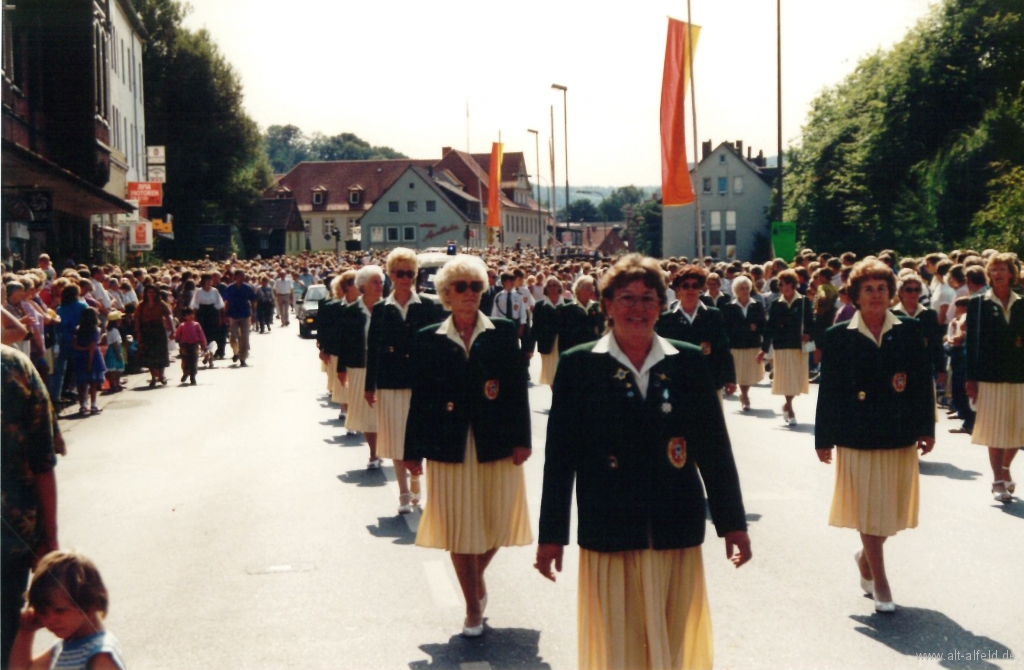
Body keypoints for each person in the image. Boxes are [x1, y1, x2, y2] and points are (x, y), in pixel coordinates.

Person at [537, 254, 751, 670]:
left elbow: (714, 449)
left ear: (661, 304)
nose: (637, 308)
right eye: (626, 298)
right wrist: (551, 535)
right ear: (607, 305)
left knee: (673, 645)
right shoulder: (579, 364)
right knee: (619, 646)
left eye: (648, 299)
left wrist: (733, 524)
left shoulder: (687, 360)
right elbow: (560, 457)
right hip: (610, 525)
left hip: (674, 522)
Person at [405, 255, 533, 637]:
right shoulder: (428, 338)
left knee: (497, 520)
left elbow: (515, 391)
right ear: (446, 294)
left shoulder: (503, 331)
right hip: (449, 445)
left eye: (476, 287)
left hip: (494, 440)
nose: (469, 294)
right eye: (461, 287)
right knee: (459, 527)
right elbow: (421, 398)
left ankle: (475, 576)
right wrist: (413, 451)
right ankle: (472, 606)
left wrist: (522, 439)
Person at [815, 258, 935, 612]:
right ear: (855, 296)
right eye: (868, 289)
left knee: (891, 512)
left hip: (899, 432)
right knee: (869, 509)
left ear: (891, 293)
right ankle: (881, 582)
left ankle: (866, 557)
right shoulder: (839, 336)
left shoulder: (909, 330)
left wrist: (927, 428)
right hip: (857, 435)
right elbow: (830, 390)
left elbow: (920, 384)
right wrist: (823, 438)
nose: (876, 295)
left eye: (882, 288)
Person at [365, 249, 442, 514]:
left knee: (421, 439)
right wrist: (368, 386)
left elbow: (437, 346)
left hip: (421, 383)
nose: (405, 278)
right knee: (398, 440)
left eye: (410, 273)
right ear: (391, 275)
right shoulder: (380, 310)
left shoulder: (429, 306)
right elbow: (373, 348)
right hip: (390, 384)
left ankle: (417, 478)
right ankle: (403, 493)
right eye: (400, 273)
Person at [1, 345, 62, 668]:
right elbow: (43, 461)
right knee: (5, 638)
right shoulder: (13, 366)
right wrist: (49, 538)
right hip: (11, 540)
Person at [965, 253, 1023, 503]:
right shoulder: (978, 303)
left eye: (1002, 269)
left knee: (1018, 430)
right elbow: (972, 343)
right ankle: (997, 480)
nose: (998, 273)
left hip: (1019, 374)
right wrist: (970, 377)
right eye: (994, 269)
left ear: (1012, 273)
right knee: (996, 430)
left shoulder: (1022, 301)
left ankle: (1006, 468)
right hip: (990, 376)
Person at [8, 550, 125, 670]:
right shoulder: (64, 648)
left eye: (59, 610)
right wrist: (25, 631)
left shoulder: (100, 654)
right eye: (43, 612)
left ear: (88, 602)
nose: (50, 620)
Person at [657, 266, 737, 398]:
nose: (690, 289)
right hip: (677, 384)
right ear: (677, 289)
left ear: (700, 289)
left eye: (695, 285)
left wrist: (729, 378)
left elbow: (723, 347)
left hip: (708, 381)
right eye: (686, 286)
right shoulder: (666, 319)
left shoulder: (713, 315)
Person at [337, 265, 385, 467]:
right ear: (363, 285)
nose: (379, 286)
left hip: (384, 366)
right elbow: (344, 341)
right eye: (375, 282)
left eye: (381, 282)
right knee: (367, 413)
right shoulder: (351, 311)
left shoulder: (388, 309)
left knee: (385, 411)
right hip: (359, 365)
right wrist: (341, 368)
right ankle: (374, 453)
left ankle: (386, 447)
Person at [763, 269, 814, 425]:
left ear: (791, 284)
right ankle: (790, 408)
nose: (780, 286)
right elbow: (770, 327)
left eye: (782, 284)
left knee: (796, 381)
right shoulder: (776, 304)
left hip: (800, 346)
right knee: (787, 379)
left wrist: (808, 334)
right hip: (782, 345)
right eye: (779, 284)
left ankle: (787, 404)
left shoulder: (804, 302)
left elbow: (812, 324)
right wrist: (764, 349)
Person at [722, 275, 767, 410]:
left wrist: (757, 329)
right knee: (740, 374)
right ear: (736, 290)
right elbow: (727, 327)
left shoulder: (757, 305)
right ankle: (745, 395)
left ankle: (744, 393)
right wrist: (747, 327)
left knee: (748, 374)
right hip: (736, 345)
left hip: (752, 344)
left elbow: (763, 325)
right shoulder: (729, 307)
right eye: (742, 288)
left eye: (747, 288)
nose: (745, 291)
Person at [135, 285, 172, 387]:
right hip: (147, 330)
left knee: (161, 353)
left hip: (158, 329)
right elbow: (137, 319)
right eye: (149, 292)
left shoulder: (161, 304)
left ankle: (161, 375)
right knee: (149, 354)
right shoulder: (141, 305)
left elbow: (168, 316)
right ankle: (153, 377)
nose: (151, 294)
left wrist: (172, 330)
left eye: (153, 292)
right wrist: (138, 332)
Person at [71, 307, 105, 415]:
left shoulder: (77, 329)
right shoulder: (96, 330)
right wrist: (90, 363)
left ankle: (83, 405)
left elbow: (75, 345)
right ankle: (93, 405)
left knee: (82, 383)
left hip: (79, 357)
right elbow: (92, 348)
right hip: (93, 358)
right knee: (93, 383)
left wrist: (82, 349)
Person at [557, 275, 605, 353]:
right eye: (588, 289)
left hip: (595, 352)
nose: (592, 291)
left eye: (592, 288)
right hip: (575, 353)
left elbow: (602, 331)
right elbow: (563, 338)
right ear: (579, 290)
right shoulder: (567, 309)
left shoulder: (597, 307)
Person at [532, 276, 565, 387]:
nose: (552, 288)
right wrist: (529, 349)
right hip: (547, 345)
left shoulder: (568, 304)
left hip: (564, 344)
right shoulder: (539, 306)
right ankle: (556, 400)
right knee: (551, 377)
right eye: (549, 285)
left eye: (555, 285)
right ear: (545, 289)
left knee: (563, 375)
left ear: (559, 287)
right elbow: (535, 327)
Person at [222, 270, 257, 367]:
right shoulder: (230, 288)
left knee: (244, 337)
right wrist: (225, 315)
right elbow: (225, 302)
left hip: (245, 314)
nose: (242, 278)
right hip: (233, 314)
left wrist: (254, 314)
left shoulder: (247, 287)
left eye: (243, 276)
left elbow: (253, 300)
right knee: (233, 337)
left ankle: (243, 358)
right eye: (240, 276)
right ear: (235, 277)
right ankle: (236, 352)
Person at [190, 273, 224, 369]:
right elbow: (195, 306)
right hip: (202, 314)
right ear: (203, 281)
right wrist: (194, 318)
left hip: (212, 314)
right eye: (207, 280)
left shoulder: (215, 291)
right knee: (203, 336)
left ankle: (210, 356)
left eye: (210, 280)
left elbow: (219, 306)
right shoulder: (198, 292)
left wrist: (220, 318)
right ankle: (206, 353)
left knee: (212, 336)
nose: (209, 282)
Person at [173, 308, 208, 386]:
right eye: (188, 315)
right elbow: (177, 334)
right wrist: (175, 337)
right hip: (184, 345)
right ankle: (185, 373)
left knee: (194, 361)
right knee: (185, 361)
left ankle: (192, 376)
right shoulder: (182, 326)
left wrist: (203, 345)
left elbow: (201, 335)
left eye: (191, 314)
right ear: (184, 316)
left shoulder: (196, 325)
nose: (190, 316)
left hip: (194, 345)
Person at [102, 311, 125, 393]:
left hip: (113, 349)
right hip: (114, 350)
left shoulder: (109, 330)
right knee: (115, 369)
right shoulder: (114, 331)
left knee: (115, 368)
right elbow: (115, 343)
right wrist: (118, 353)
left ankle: (115, 383)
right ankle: (115, 384)